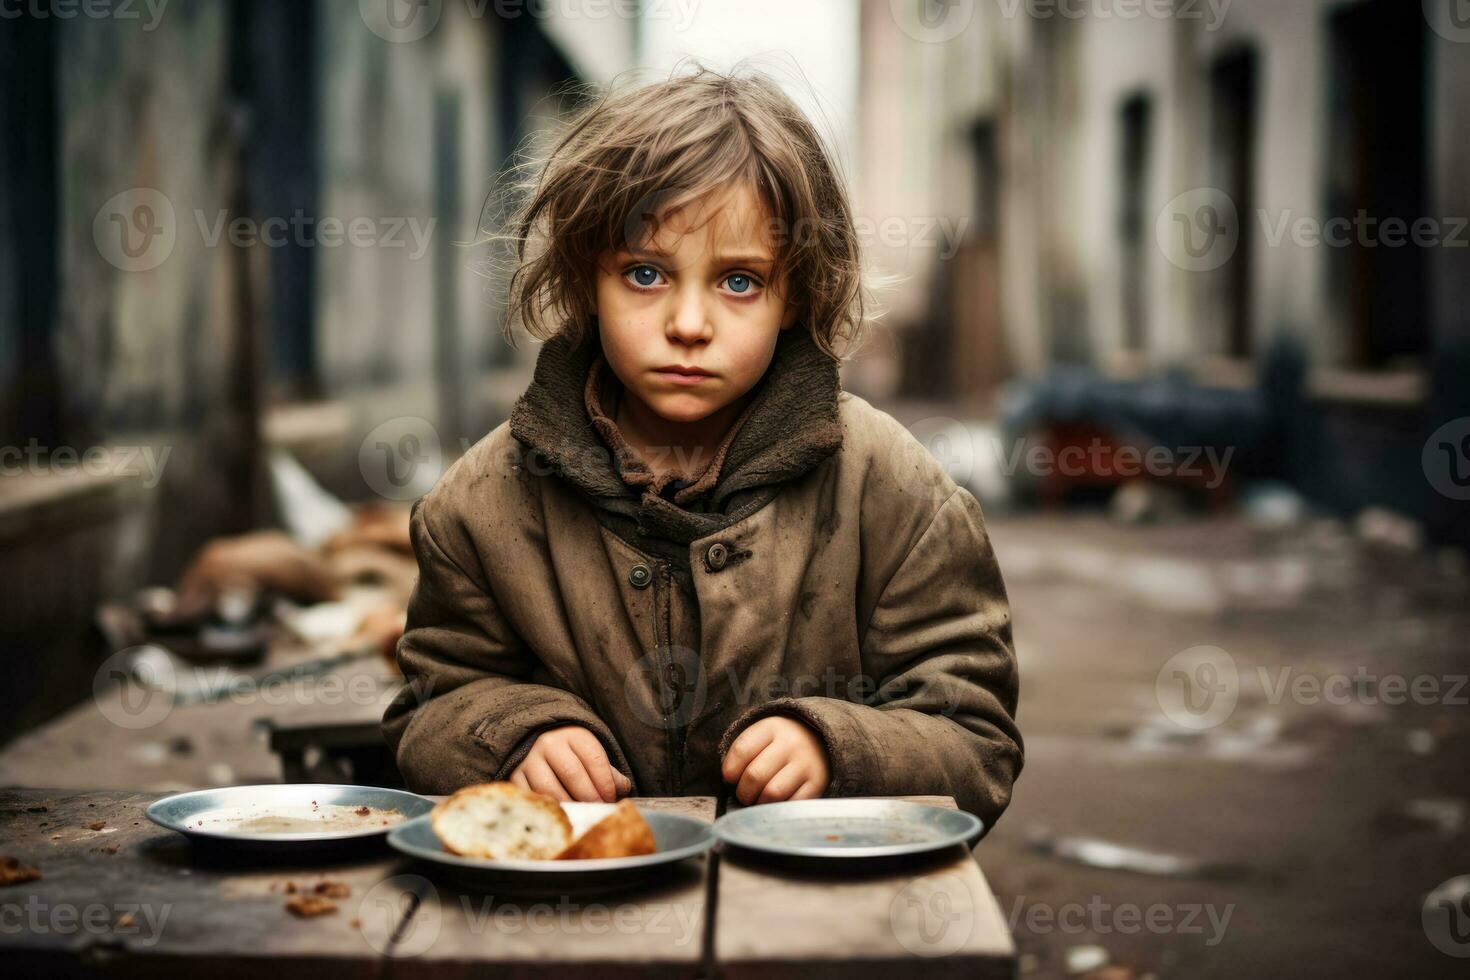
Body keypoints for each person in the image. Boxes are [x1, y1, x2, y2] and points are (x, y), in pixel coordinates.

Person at [382, 65, 1022, 825]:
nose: (689, 323)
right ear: (588, 281)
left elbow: (976, 740)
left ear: (798, 294)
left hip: (818, 918)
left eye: (740, 282)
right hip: (576, 907)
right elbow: (429, 707)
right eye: (646, 274)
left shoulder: (895, 490)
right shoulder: (481, 503)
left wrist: (839, 746)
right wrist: (515, 738)